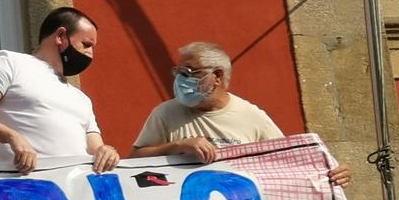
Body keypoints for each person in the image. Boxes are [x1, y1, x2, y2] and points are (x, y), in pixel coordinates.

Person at [133, 41, 352, 186]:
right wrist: (178, 146)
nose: (181, 80)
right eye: (179, 72)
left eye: (190, 73)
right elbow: (133, 162)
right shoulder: (165, 113)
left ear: (217, 76)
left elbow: (288, 164)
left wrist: (329, 173)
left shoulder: (252, 116)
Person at [0, 7, 122, 173]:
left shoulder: (81, 98)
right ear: (61, 36)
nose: (90, 54)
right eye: (86, 44)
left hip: (73, 196)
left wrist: (106, 151)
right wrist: (11, 137)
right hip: (23, 190)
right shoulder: (11, 62)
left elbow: (95, 149)